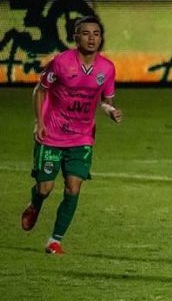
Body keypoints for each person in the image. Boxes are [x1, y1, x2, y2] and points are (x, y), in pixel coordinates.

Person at [20, 15, 122, 255]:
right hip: (53, 133)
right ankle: (35, 203)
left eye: (96, 34)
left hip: (82, 137)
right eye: (86, 33)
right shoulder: (61, 63)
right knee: (45, 189)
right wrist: (39, 122)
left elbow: (106, 101)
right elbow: (40, 90)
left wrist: (111, 111)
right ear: (75, 37)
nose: (91, 38)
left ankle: (54, 240)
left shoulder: (107, 68)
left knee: (73, 187)